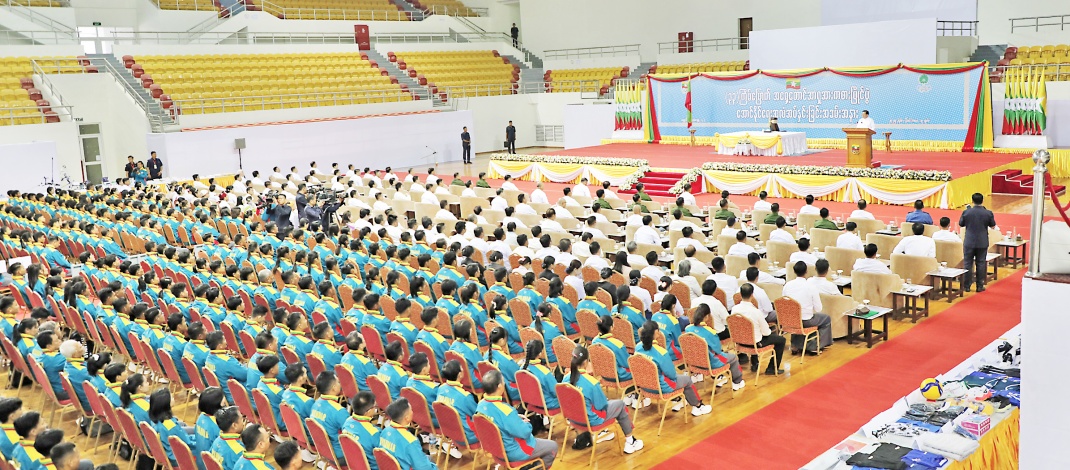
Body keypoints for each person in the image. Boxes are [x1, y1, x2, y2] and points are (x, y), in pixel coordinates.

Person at [563, 346, 645, 453]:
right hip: (591, 420)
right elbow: (601, 405)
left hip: (573, 418)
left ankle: (596, 434)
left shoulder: (565, 379)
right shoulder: (591, 383)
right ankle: (630, 442)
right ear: (586, 362)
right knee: (620, 405)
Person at [476, 370, 558, 467]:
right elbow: (524, 432)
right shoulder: (506, 411)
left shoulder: (480, 405)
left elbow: (496, 420)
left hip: (495, 450)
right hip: (514, 451)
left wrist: (515, 418)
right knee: (553, 446)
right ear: (499, 386)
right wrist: (526, 423)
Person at [635, 321, 711, 416]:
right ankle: (698, 406)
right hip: (660, 387)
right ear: (656, 332)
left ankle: (678, 399)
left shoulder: (637, 347)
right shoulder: (661, 352)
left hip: (644, 386)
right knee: (687, 380)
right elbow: (672, 375)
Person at [684, 307, 745, 391]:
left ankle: (720, 377)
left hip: (694, 363)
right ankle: (737, 382)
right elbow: (718, 350)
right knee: (733, 357)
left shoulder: (688, 329)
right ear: (706, 317)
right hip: (709, 363)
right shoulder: (710, 332)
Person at [731, 283, 786, 374]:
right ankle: (772, 369)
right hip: (754, 344)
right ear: (752, 295)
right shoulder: (756, 312)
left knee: (753, 333)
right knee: (781, 340)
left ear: (740, 294)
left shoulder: (734, 309)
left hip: (739, 342)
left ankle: (755, 363)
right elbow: (766, 333)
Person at [782, 262, 833, 353]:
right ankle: (815, 346)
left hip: (789, 320)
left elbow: (784, 302)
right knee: (826, 319)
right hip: (806, 320)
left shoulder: (787, 285)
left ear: (794, 271)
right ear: (806, 271)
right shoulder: (811, 287)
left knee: (797, 318)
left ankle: (795, 345)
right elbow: (818, 309)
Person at [378, 398, 438, 470]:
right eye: (411, 410)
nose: (412, 412)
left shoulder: (385, 431)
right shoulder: (410, 441)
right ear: (407, 418)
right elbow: (424, 468)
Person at [959, 193, 997, 292]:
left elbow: (961, 224)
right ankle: (980, 285)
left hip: (969, 241)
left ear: (972, 201)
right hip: (982, 241)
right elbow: (993, 226)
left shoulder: (967, 212)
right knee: (981, 263)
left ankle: (966, 286)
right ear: (982, 201)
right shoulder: (988, 213)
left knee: (968, 263)